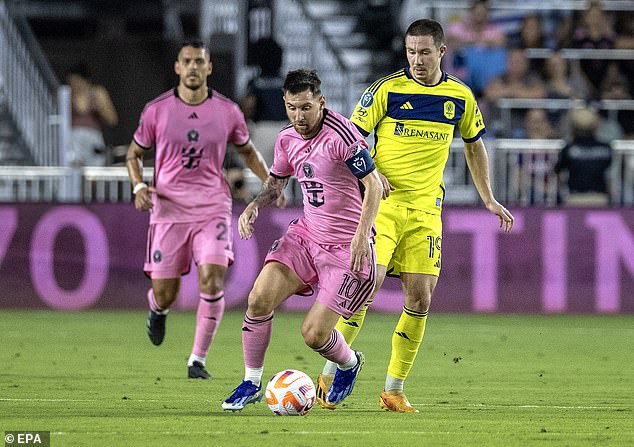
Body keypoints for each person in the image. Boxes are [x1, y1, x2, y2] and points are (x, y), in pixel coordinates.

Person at [317, 18, 514, 413]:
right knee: (364, 285)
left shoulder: (460, 96)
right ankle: (329, 373)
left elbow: (475, 146)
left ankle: (393, 389)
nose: (417, 59)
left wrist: (488, 198)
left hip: (427, 211)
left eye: (424, 52)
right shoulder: (386, 91)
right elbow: (350, 142)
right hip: (384, 206)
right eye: (411, 52)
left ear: (442, 52)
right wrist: (370, 177)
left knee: (420, 298)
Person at [221, 68, 383, 411]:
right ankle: (251, 381)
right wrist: (253, 205)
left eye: (306, 107)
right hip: (306, 236)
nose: (299, 116)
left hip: (345, 248)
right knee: (258, 299)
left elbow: (374, 185)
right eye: (293, 108)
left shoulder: (343, 135)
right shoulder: (286, 139)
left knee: (313, 335)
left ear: (321, 102)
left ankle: (349, 362)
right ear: (285, 102)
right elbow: (277, 184)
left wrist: (360, 235)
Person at [125, 40, 280, 379]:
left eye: (199, 61)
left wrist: (272, 182)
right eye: (187, 61)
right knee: (167, 294)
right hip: (169, 210)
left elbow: (247, 151)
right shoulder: (157, 110)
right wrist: (138, 187)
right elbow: (133, 154)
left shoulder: (227, 111)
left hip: (212, 206)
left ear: (209, 68)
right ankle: (157, 309)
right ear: (178, 68)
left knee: (211, 280)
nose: (193, 67)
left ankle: (197, 360)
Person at [554, 106, 612, 206]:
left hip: (575, 198)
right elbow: (611, 174)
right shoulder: (606, 148)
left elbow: (557, 170)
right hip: (600, 197)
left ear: (573, 127)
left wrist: (562, 188)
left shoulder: (569, 149)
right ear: (595, 126)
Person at [66, 63, 118, 166]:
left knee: (94, 173)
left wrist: (98, 106)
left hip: (92, 140)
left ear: (85, 80)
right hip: (73, 139)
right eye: (72, 82)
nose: (75, 86)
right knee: (73, 170)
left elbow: (113, 119)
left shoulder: (97, 93)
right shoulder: (67, 94)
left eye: (77, 81)